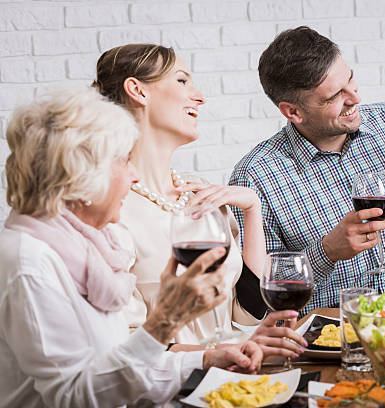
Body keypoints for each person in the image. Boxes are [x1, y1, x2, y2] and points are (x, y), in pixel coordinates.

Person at [0, 88, 264, 407]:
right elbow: (73, 397)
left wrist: (208, 360)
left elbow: (117, 367)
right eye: (125, 160)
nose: (135, 175)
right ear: (83, 178)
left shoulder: (89, 244)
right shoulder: (30, 262)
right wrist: (163, 321)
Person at [228, 26, 385, 314]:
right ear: (293, 112)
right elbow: (262, 297)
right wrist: (327, 252)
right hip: (334, 337)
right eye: (335, 96)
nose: (355, 98)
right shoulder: (256, 177)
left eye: (350, 79)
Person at [93, 44, 306, 356]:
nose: (200, 97)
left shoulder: (202, 194)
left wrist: (253, 209)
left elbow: (248, 311)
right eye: (182, 81)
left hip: (234, 379)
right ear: (138, 90)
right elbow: (123, 347)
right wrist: (214, 355)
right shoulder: (110, 212)